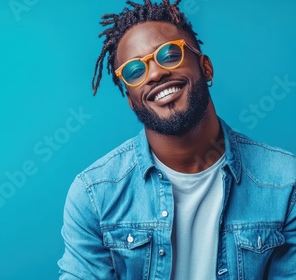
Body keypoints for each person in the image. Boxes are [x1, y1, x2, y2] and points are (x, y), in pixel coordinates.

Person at [57, 0, 296, 279]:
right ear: (131, 102)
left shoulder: (284, 183)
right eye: (135, 71)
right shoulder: (94, 194)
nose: (156, 73)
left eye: (169, 54)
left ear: (206, 68)